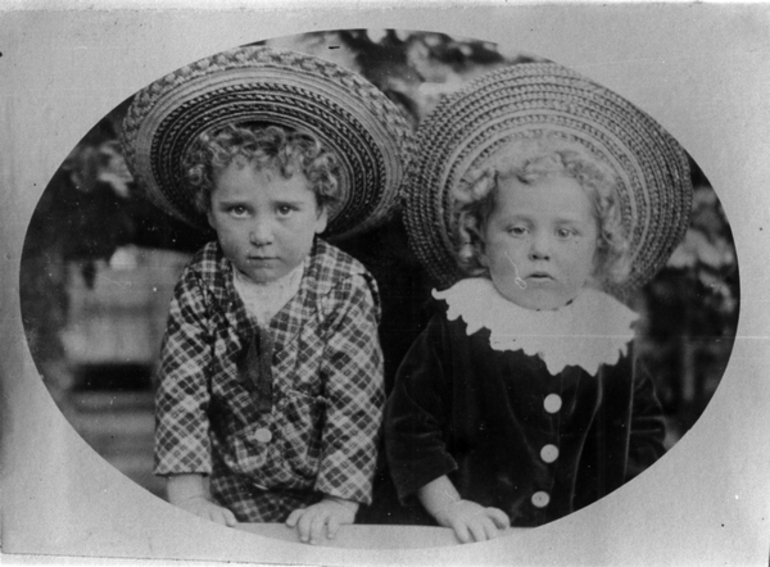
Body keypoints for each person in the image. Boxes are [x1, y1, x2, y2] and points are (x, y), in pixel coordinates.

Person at [386, 62, 693, 543]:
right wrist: (451, 506)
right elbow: (410, 428)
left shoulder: (607, 338)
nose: (540, 248)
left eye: (566, 232)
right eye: (517, 228)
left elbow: (644, 434)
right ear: (481, 242)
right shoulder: (458, 328)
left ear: (598, 248)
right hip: (469, 540)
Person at [119, 45, 413, 544]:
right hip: (230, 489)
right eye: (238, 210)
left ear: (321, 214)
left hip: (322, 491)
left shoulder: (344, 286)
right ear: (209, 212)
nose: (260, 233)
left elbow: (355, 399)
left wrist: (338, 499)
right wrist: (191, 493)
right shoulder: (203, 281)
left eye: (284, 210)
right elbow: (182, 391)